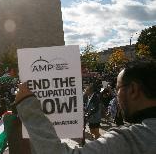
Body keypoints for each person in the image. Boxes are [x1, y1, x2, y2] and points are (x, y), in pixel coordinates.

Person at [15, 61, 156, 154]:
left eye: (118, 87)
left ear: (133, 90)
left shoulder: (130, 140)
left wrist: (27, 105)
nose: (116, 93)